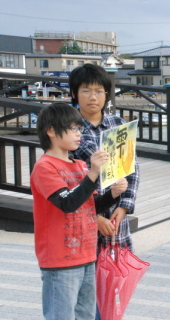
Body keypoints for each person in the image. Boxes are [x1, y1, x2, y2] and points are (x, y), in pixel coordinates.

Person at [30, 103, 127, 319]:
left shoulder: (79, 165)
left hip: (86, 254)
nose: (78, 134)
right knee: (61, 315)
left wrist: (114, 194)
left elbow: (90, 206)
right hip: (59, 258)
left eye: (79, 129)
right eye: (72, 128)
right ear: (51, 131)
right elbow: (67, 203)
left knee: (85, 315)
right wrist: (93, 173)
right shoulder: (45, 167)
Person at [68, 64, 140, 320]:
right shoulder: (68, 127)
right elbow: (68, 181)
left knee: (113, 283)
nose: (93, 97)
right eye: (86, 90)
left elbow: (132, 169)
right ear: (75, 93)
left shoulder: (118, 125)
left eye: (99, 91)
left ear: (107, 94)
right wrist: (92, 218)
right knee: (84, 286)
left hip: (114, 217)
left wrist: (123, 208)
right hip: (83, 220)